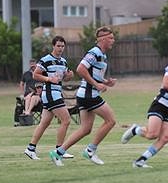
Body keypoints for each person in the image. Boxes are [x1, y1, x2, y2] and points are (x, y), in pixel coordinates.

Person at [49, 26, 117, 166]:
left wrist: (105, 82)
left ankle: (58, 153)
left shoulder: (102, 54)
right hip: (89, 95)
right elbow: (81, 69)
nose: (113, 40)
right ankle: (90, 151)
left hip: (85, 94)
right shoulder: (95, 52)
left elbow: (93, 74)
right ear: (102, 39)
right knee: (110, 121)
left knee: (85, 129)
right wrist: (97, 85)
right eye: (110, 38)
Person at [24, 35, 74, 160]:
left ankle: (30, 149)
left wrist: (69, 76)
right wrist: (48, 79)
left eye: (62, 46)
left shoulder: (63, 61)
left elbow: (64, 78)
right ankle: (59, 150)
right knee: (66, 120)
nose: (61, 48)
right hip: (50, 93)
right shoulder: (45, 59)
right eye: (58, 46)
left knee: (44, 123)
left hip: (55, 93)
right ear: (53, 46)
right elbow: (36, 75)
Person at [14, 59, 38, 126]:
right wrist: (22, 94)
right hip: (27, 95)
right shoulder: (26, 74)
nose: (32, 66)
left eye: (34, 65)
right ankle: (17, 121)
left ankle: (27, 112)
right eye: (31, 65)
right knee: (19, 103)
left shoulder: (39, 73)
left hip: (36, 95)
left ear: (36, 64)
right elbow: (21, 84)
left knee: (31, 97)